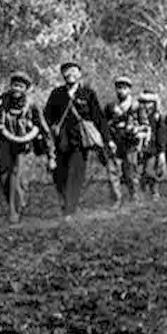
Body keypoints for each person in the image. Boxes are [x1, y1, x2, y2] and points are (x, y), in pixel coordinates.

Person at [43, 61, 111, 217]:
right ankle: (65, 203)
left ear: (79, 74)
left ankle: (70, 209)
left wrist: (107, 140)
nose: (70, 74)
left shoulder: (88, 94)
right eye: (66, 71)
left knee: (76, 175)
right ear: (62, 75)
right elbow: (47, 117)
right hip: (61, 142)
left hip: (80, 142)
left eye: (74, 71)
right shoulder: (57, 94)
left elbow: (98, 118)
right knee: (60, 176)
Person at [0, 71, 50, 224]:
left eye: (20, 86)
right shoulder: (4, 102)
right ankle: (16, 204)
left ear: (25, 88)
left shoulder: (32, 104)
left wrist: (50, 153)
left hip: (22, 146)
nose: (16, 89)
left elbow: (43, 127)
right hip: (6, 144)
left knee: (17, 178)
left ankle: (15, 212)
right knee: (4, 177)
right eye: (14, 85)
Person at [102, 76, 143, 206]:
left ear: (129, 90)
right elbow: (104, 125)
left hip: (131, 144)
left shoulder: (137, 106)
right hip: (115, 143)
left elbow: (145, 124)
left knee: (131, 172)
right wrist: (108, 141)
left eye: (124, 88)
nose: (121, 91)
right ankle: (116, 199)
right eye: (119, 88)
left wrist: (136, 130)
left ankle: (134, 197)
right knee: (113, 173)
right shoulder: (110, 106)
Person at [138, 91, 165, 201]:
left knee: (150, 170)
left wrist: (162, 151)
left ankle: (155, 191)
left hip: (153, 148)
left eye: (149, 102)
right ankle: (143, 192)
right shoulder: (138, 115)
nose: (146, 105)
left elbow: (161, 134)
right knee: (141, 172)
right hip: (139, 147)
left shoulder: (157, 116)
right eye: (144, 102)